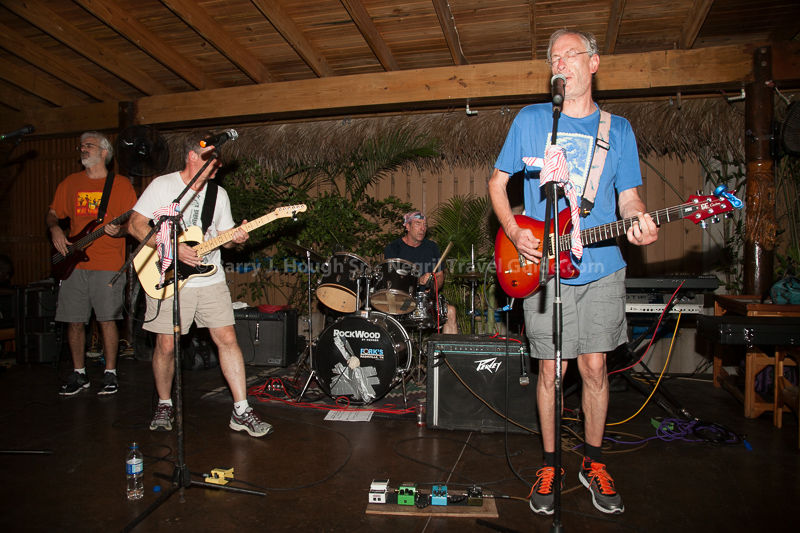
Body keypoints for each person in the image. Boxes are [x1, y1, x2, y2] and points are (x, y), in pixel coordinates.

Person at [488, 29, 659, 516]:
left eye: (570, 54)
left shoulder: (618, 130)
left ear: (594, 63)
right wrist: (514, 230)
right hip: (543, 269)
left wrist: (640, 219)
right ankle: (550, 464)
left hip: (602, 267)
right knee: (550, 369)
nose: (560, 62)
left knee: (595, 368)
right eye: (554, 58)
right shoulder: (531, 120)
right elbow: (497, 184)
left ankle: (594, 462)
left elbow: (629, 197)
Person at [129, 130, 272, 438]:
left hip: (210, 277)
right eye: (211, 158)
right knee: (166, 345)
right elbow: (135, 225)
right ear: (193, 156)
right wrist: (170, 245)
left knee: (228, 338)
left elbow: (225, 238)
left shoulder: (218, 195)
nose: (217, 164)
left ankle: (241, 409)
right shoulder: (163, 186)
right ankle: (164, 404)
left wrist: (237, 238)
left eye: (218, 160)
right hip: (166, 274)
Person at [47, 132, 137, 396]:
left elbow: (133, 224)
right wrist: (55, 229)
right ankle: (79, 373)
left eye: (89, 145)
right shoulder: (70, 182)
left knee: (107, 319)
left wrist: (119, 232)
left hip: (108, 264)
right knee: (74, 321)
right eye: (81, 146)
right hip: (73, 264)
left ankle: (110, 372)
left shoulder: (120, 185)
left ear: (104, 152)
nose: (83, 149)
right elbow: (52, 213)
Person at [384, 211, 457, 334]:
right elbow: (393, 280)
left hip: (427, 301)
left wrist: (433, 285)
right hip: (403, 300)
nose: (423, 228)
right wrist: (418, 281)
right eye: (418, 224)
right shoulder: (393, 248)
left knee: (450, 311)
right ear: (407, 226)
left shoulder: (432, 247)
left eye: (425, 225)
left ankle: (447, 347)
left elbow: (440, 275)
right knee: (391, 314)